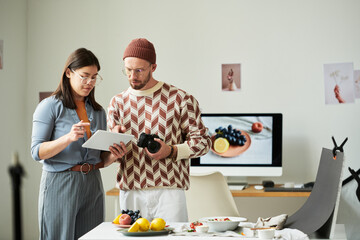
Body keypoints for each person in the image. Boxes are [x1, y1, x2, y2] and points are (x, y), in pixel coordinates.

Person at [107, 38, 212, 222]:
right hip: (130, 190)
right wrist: (114, 141)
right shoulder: (117, 103)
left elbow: (204, 143)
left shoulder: (180, 99)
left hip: (170, 192)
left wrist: (171, 151)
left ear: (153, 67)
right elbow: (109, 154)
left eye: (139, 70)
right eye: (128, 70)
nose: (132, 76)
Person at [31, 48, 126, 240]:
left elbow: (99, 160)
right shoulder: (49, 106)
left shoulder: (99, 112)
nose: (90, 82)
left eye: (94, 77)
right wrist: (68, 138)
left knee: (93, 236)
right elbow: (36, 151)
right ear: (68, 73)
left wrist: (113, 156)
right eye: (84, 76)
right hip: (60, 183)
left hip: (92, 182)